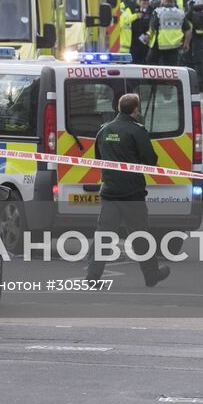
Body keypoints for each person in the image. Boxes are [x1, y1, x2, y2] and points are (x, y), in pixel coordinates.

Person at [83, 92, 170, 287]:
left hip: (110, 192)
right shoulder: (137, 131)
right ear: (136, 110)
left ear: (118, 108)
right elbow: (150, 160)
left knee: (103, 235)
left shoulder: (104, 130)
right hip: (132, 194)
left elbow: (98, 158)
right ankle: (151, 274)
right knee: (140, 235)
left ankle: (92, 277)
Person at [148, 0, 191, 66]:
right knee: (172, 68)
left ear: (164, 1)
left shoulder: (158, 12)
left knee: (152, 63)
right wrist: (186, 43)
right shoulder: (180, 13)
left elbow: (152, 28)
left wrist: (148, 39)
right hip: (175, 46)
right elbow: (188, 30)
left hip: (160, 46)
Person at [129, 0, 153, 64]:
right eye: (143, 1)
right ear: (139, 1)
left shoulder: (152, 11)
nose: (145, 3)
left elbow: (152, 25)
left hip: (146, 42)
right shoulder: (132, 10)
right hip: (134, 41)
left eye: (147, 1)